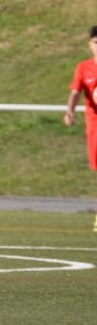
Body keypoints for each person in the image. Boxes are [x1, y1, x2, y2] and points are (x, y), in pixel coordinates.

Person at [63, 24, 97, 231]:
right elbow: (75, 92)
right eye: (96, 43)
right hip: (94, 126)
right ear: (90, 45)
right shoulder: (84, 68)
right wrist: (70, 111)